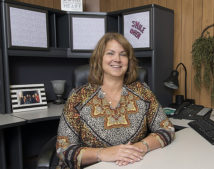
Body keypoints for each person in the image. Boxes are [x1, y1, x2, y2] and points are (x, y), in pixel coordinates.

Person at [56, 32, 175, 168]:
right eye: (110, 53)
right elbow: (63, 148)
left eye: (123, 54)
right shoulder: (78, 97)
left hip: (133, 163)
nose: (117, 59)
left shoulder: (142, 92)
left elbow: (167, 129)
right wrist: (103, 153)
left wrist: (141, 147)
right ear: (99, 58)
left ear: (129, 61)